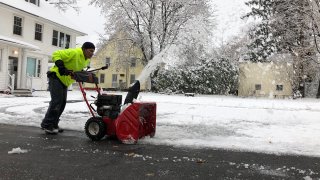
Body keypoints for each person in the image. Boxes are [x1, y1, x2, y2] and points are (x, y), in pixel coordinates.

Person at [41, 42, 95, 134]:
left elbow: (77, 69)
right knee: (56, 101)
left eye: (93, 51)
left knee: (62, 103)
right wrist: (61, 67)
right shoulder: (75, 52)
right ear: (84, 49)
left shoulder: (86, 60)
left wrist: (82, 75)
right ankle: (47, 124)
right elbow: (56, 54)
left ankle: (53, 123)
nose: (92, 53)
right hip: (56, 76)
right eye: (90, 51)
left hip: (64, 81)